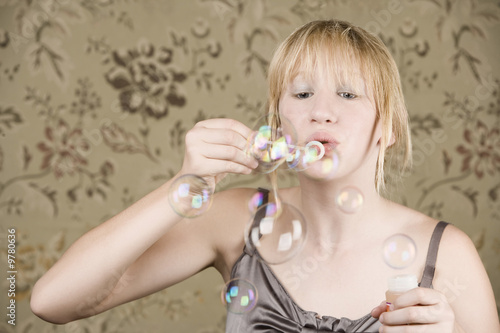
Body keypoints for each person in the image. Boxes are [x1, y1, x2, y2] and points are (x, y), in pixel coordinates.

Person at [30, 19, 499, 332]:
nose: (321, 112)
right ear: (278, 123)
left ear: (389, 129)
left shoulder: (447, 255)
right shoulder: (238, 220)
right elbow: (53, 301)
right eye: (301, 93)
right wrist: (182, 190)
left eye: (348, 94)